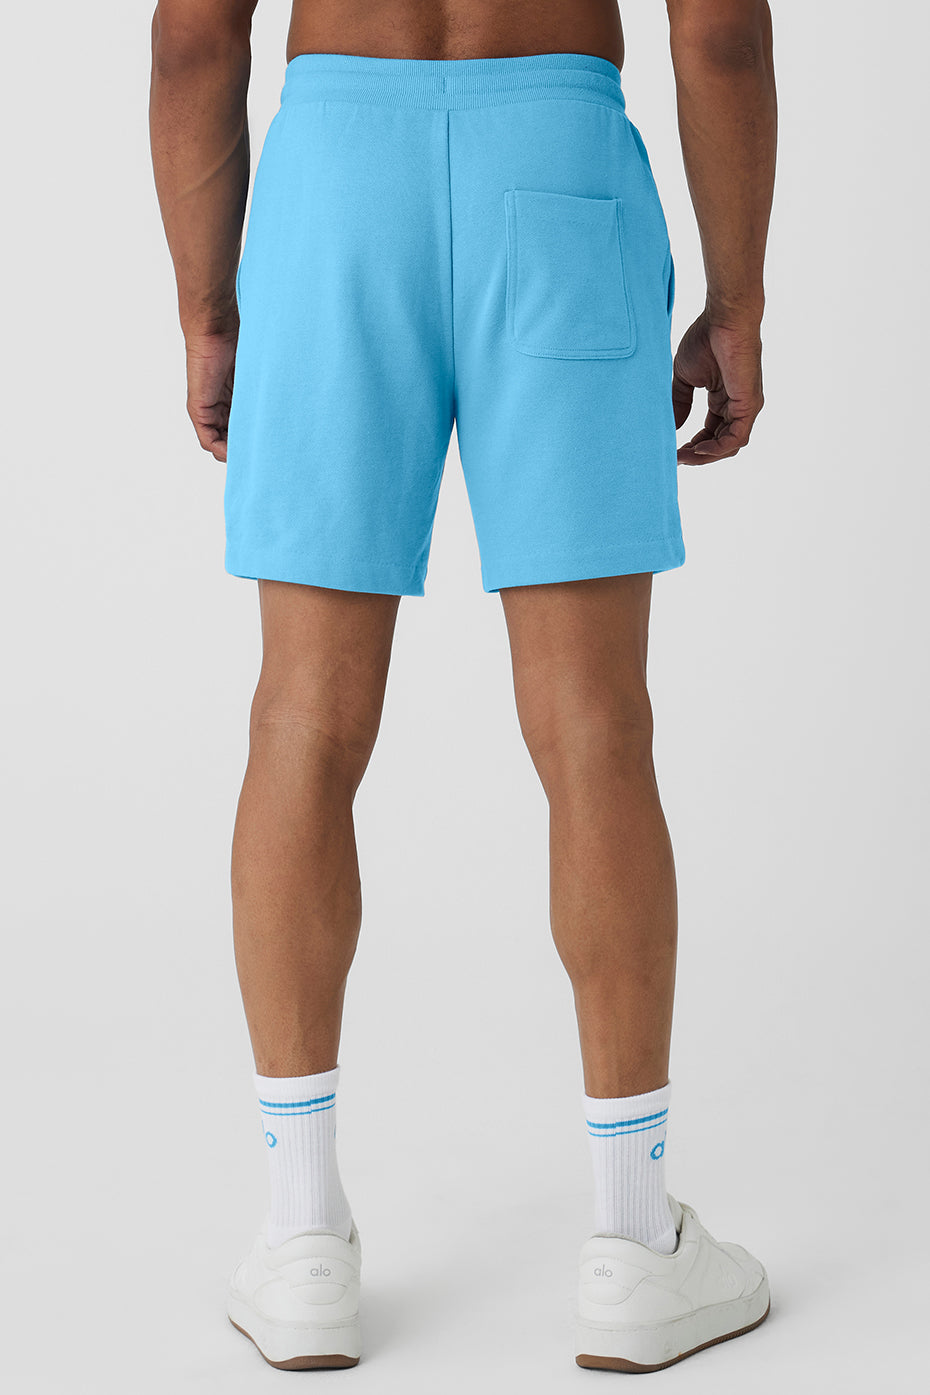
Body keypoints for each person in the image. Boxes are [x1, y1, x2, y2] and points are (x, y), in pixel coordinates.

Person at [149, 0, 776, 1374]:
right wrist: (735, 303)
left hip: (334, 187)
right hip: (555, 169)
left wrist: (209, 310)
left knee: (302, 718)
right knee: (595, 727)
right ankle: (634, 1247)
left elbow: (195, 39)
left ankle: (301, 1242)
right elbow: (719, 34)